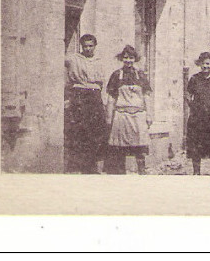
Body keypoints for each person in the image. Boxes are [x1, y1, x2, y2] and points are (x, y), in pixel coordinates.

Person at [104, 45, 153, 175]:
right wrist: (109, 117)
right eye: (125, 58)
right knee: (120, 148)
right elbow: (111, 98)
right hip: (122, 115)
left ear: (135, 59)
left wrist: (149, 115)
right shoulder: (116, 75)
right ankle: (122, 176)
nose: (128, 60)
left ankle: (142, 174)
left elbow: (146, 96)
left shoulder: (141, 75)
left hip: (138, 116)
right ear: (122, 59)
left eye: (131, 58)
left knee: (140, 148)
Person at [63, 33, 107, 174]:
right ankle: (78, 165)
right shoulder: (74, 59)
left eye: (91, 46)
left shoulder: (99, 61)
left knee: (95, 130)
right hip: (80, 95)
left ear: (95, 46)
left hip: (94, 95)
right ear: (81, 46)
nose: (88, 49)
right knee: (80, 130)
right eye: (85, 46)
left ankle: (92, 164)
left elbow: (101, 82)